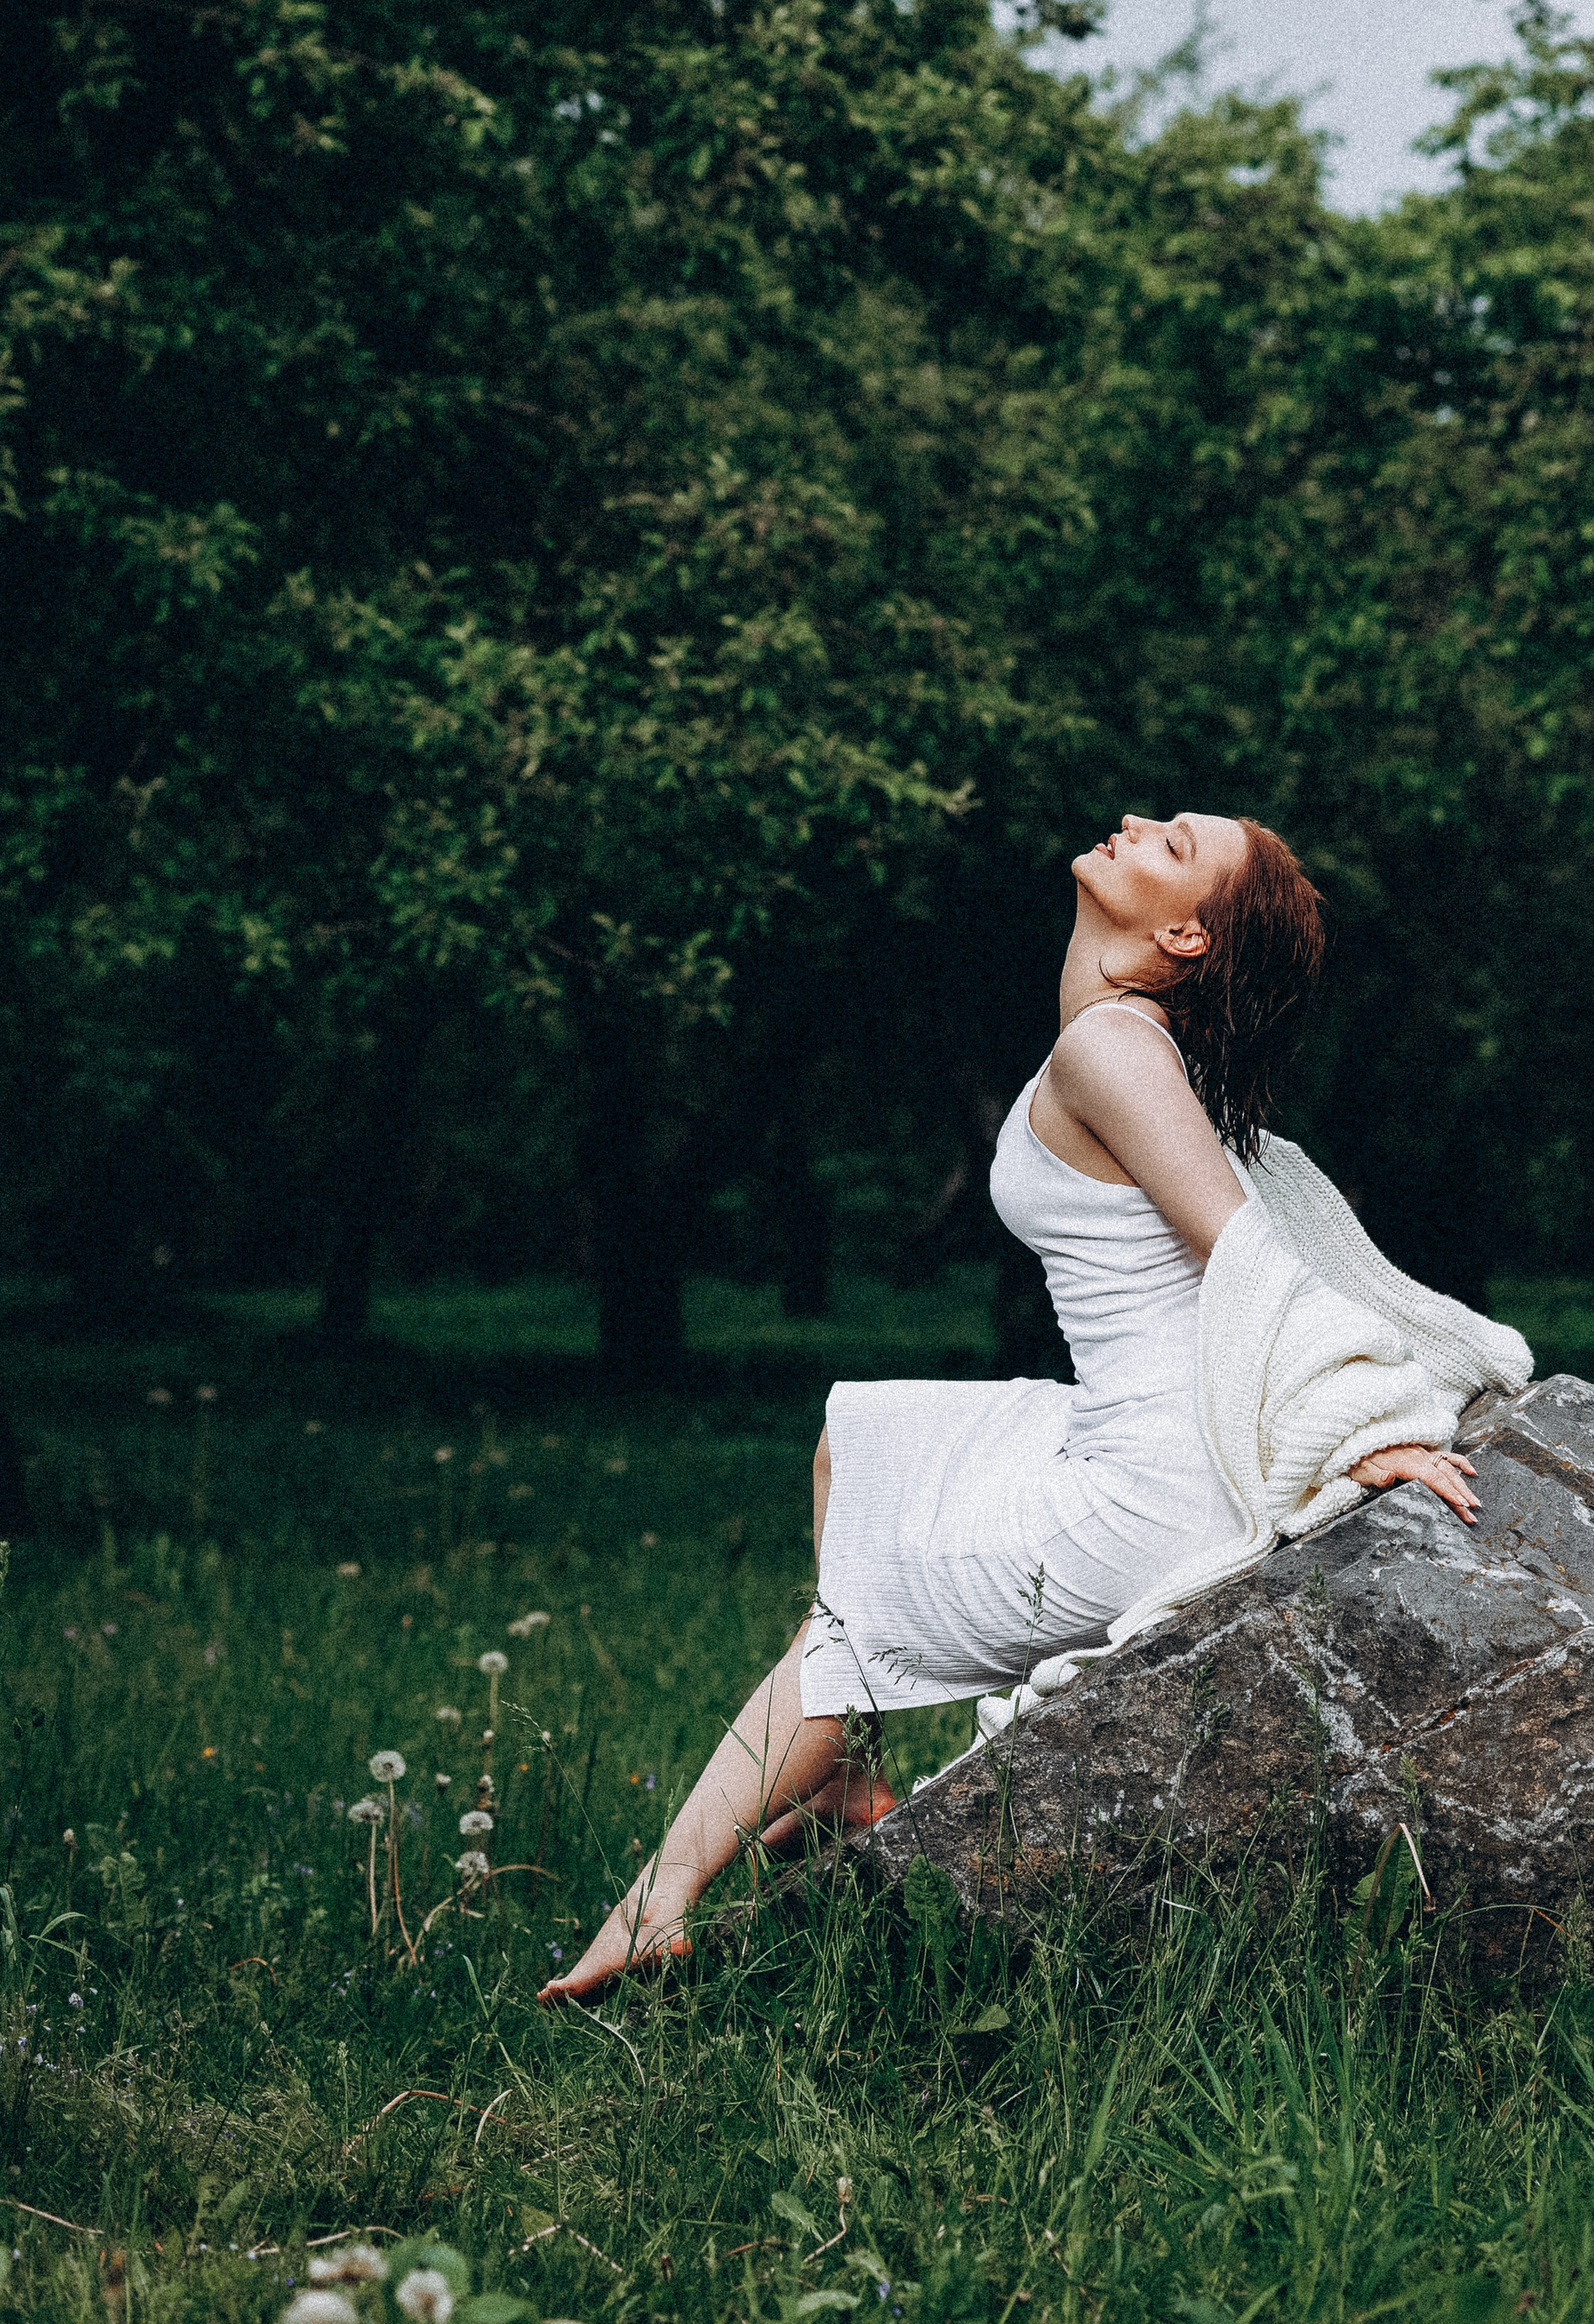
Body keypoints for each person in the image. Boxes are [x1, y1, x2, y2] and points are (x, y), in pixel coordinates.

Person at [539, 807, 1480, 2004]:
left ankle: (653, 1904)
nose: (1137, 822)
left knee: (849, 1634)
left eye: (1174, 843)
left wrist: (1367, 1429)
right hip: (1130, 1431)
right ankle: (831, 1775)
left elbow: (1244, 1248)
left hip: (1152, 1490)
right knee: (863, 1436)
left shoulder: (1114, 1053)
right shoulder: (1124, 1045)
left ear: (1185, 933)